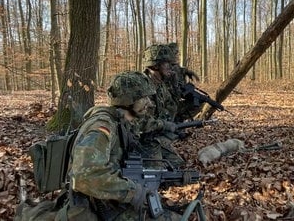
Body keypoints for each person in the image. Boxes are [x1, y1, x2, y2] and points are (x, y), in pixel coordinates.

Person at [68, 71, 181, 220]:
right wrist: (133, 192)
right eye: (143, 98)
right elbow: (84, 176)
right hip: (91, 209)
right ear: (128, 100)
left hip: (108, 203)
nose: (149, 102)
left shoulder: (123, 122)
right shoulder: (102, 127)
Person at [137, 44, 185, 168]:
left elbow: (173, 108)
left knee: (177, 165)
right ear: (156, 65)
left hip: (154, 137)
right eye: (167, 64)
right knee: (156, 174)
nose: (171, 67)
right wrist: (162, 125)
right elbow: (136, 122)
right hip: (140, 140)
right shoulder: (141, 87)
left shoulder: (161, 85)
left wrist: (174, 85)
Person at [166, 42, 203, 122]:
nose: (177, 55)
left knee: (199, 101)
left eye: (177, 53)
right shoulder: (165, 68)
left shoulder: (175, 66)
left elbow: (179, 69)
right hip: (169, 105)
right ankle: (175, 120)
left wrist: (187, 71)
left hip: (177, 100)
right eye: (175, 53)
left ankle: (179, 120)